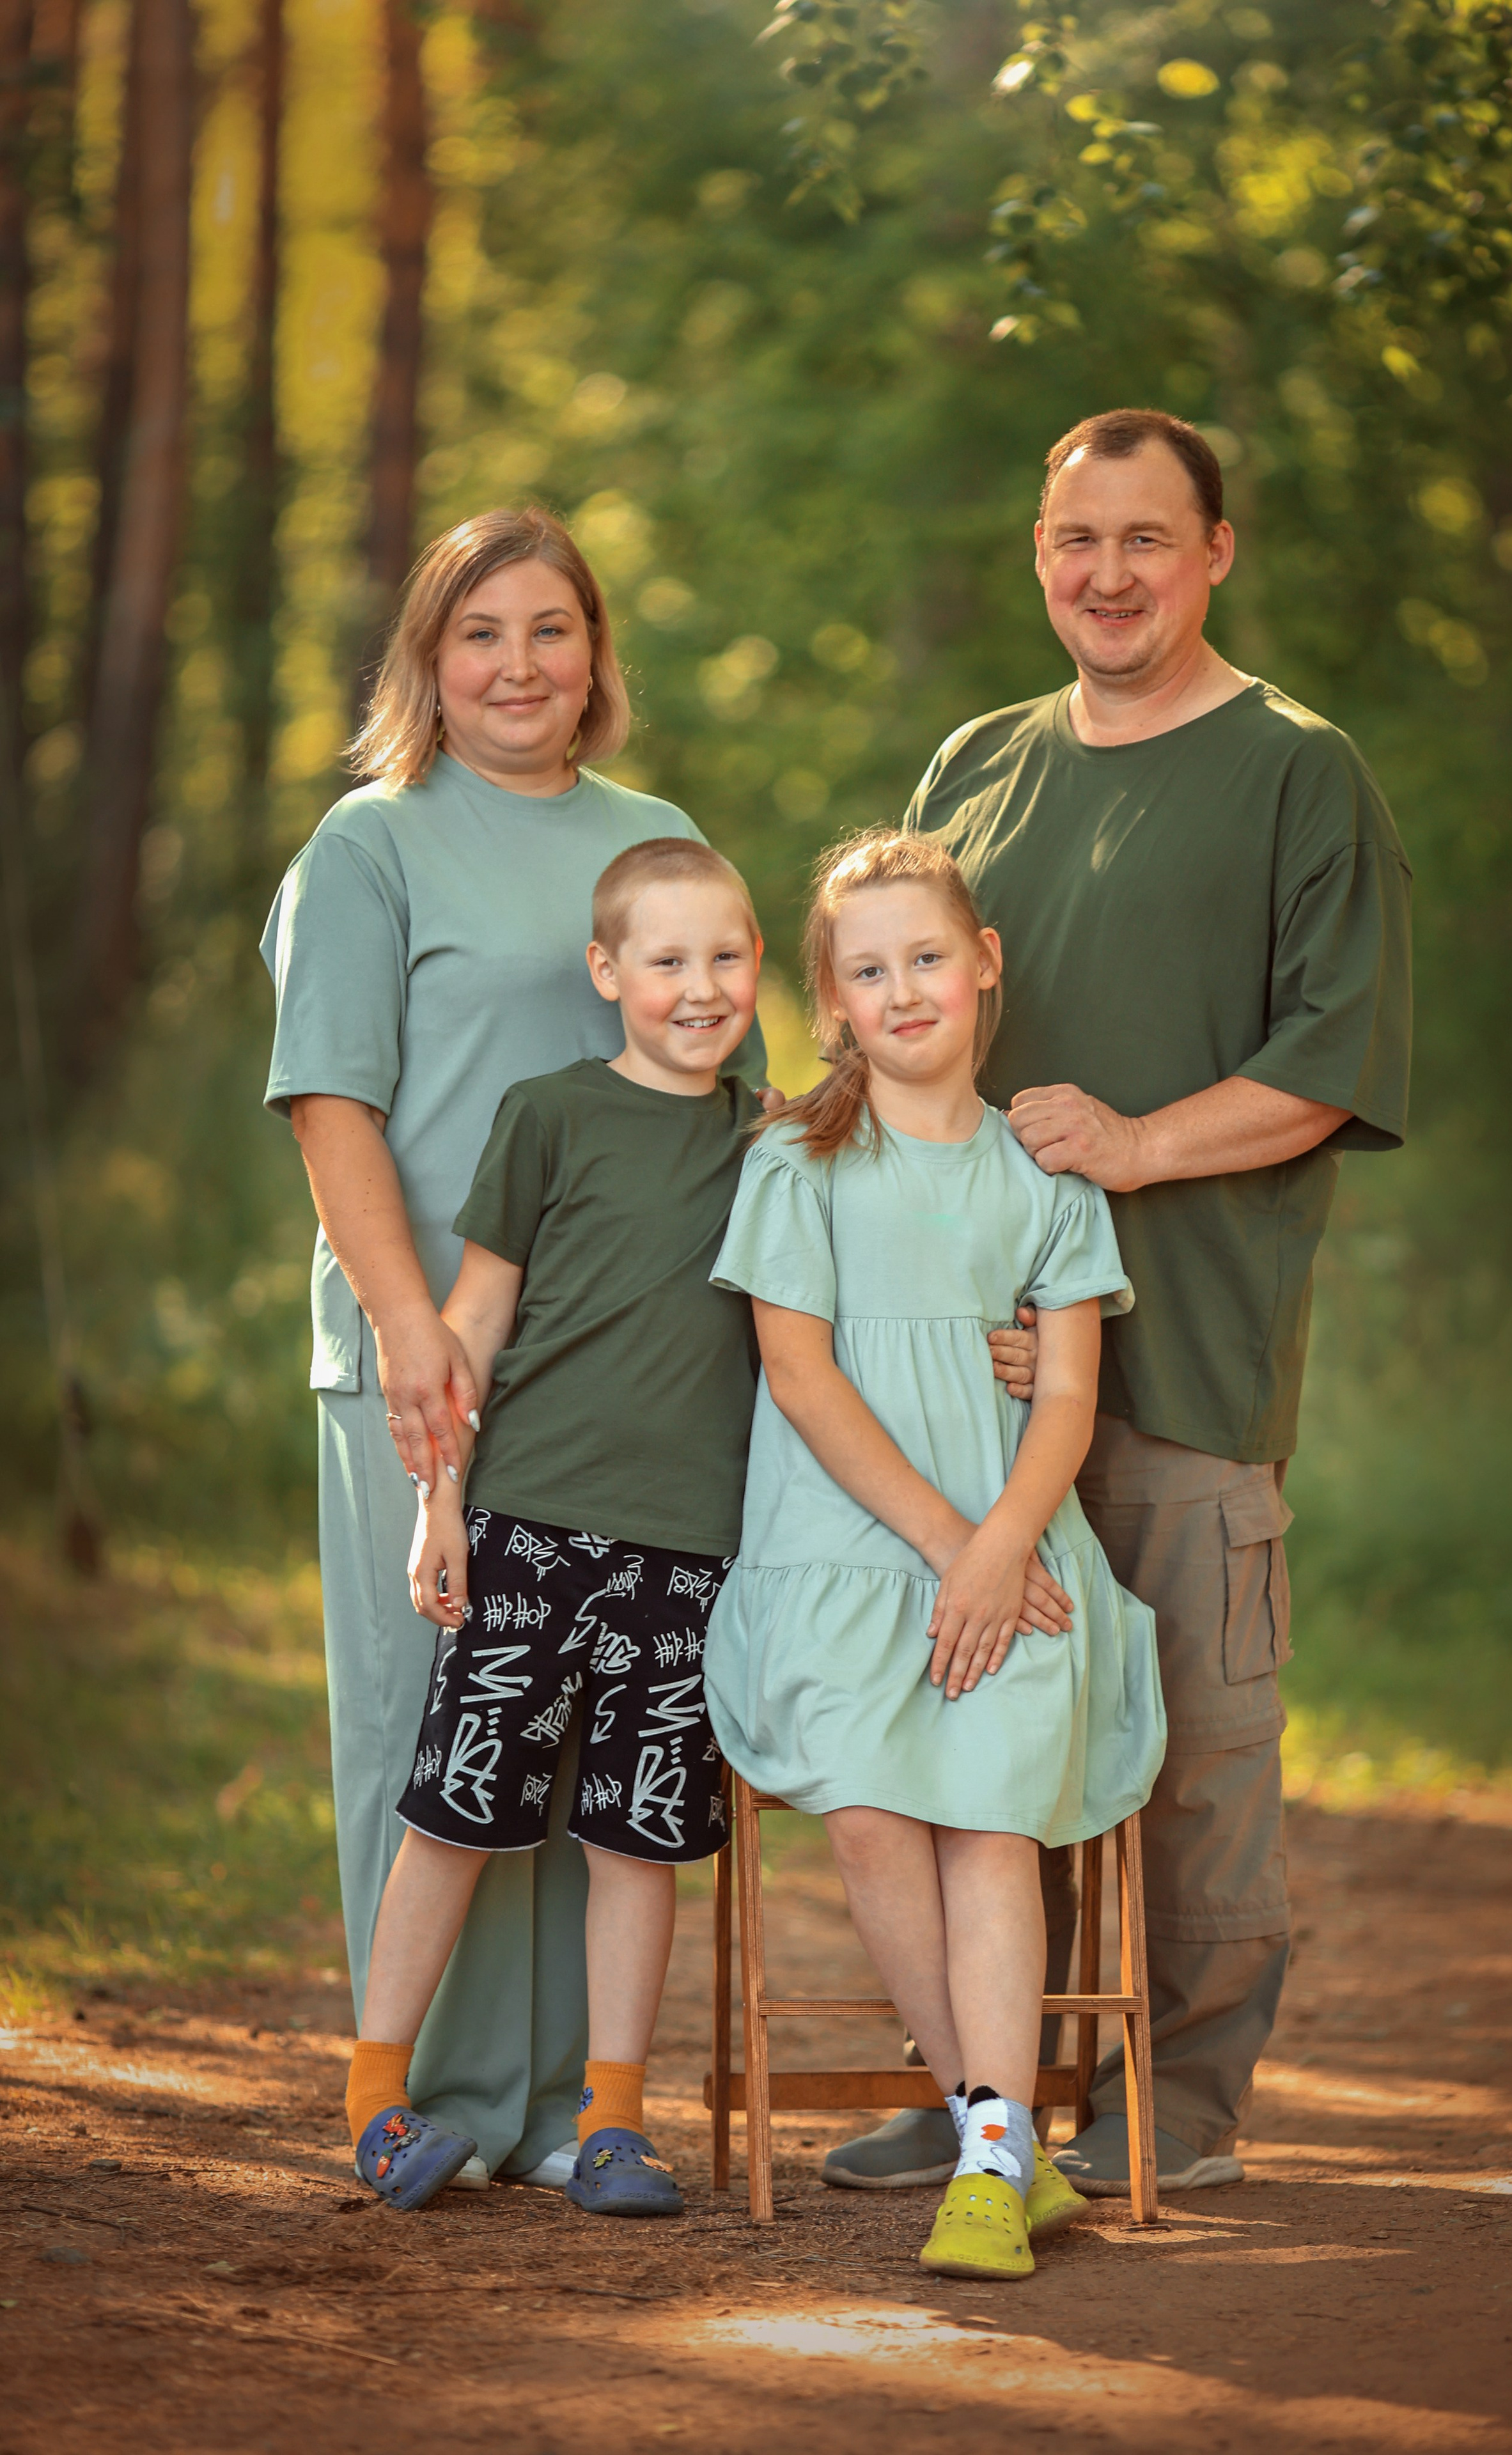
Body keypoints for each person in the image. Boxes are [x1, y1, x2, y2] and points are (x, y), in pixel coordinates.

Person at [825, 408, 1413, 2199]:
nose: (1110, 574)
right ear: (1038, 550)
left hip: (1187, 1362)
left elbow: (1332, 1063)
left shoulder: (1302, 772)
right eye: (1079, 539)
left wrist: (1139, 1146)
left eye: (1148, 539)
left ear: (1216, 552)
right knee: (973, 1739)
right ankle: (988, 2084)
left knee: (1191, 1767)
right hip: (966, 1383)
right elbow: (893, 1010)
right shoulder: (978, 761)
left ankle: (1182, 2109)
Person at [261, 510, 769, 2190]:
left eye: (552, 631)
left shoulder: (658, 834)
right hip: (425, 1344)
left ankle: (572, 2111)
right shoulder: (371, 843)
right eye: (483, 633)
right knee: (439, 1722)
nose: (520, 666)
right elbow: (333, 1102)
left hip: (630, 1369)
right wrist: (410, 1328)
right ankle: (433, 2103)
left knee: (592, 1731)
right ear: (429, 658)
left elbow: (735, 1108)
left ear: (596, 655)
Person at [705, 830, 1165, 2280]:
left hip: (1015, 1545)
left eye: (924, 957)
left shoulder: (1045, 1178)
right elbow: (801, 1376)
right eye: (865, 970)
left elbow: (1074, 1393)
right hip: (843, 1549)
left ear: (983, 967)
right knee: (863, 1801)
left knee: (986, 1817)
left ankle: (988, 2158)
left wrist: (998, 1547)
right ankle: (994, 2126)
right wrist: (947, 1546)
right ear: (830, 1004)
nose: (901, 989)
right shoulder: (796, 1162)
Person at [343, 837, 765, 2213]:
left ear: (759, 966)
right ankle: (375, 2101)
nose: (698, 987)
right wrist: (439, 1505)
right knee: (460, 1812)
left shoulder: (775, 1142)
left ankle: (615, 2121)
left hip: (689, 1549)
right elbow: (474, 1322)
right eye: (665, 960)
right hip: (526, 1530)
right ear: (607, 972)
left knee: (637, 1838)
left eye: (725, 956)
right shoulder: (549, 1115)